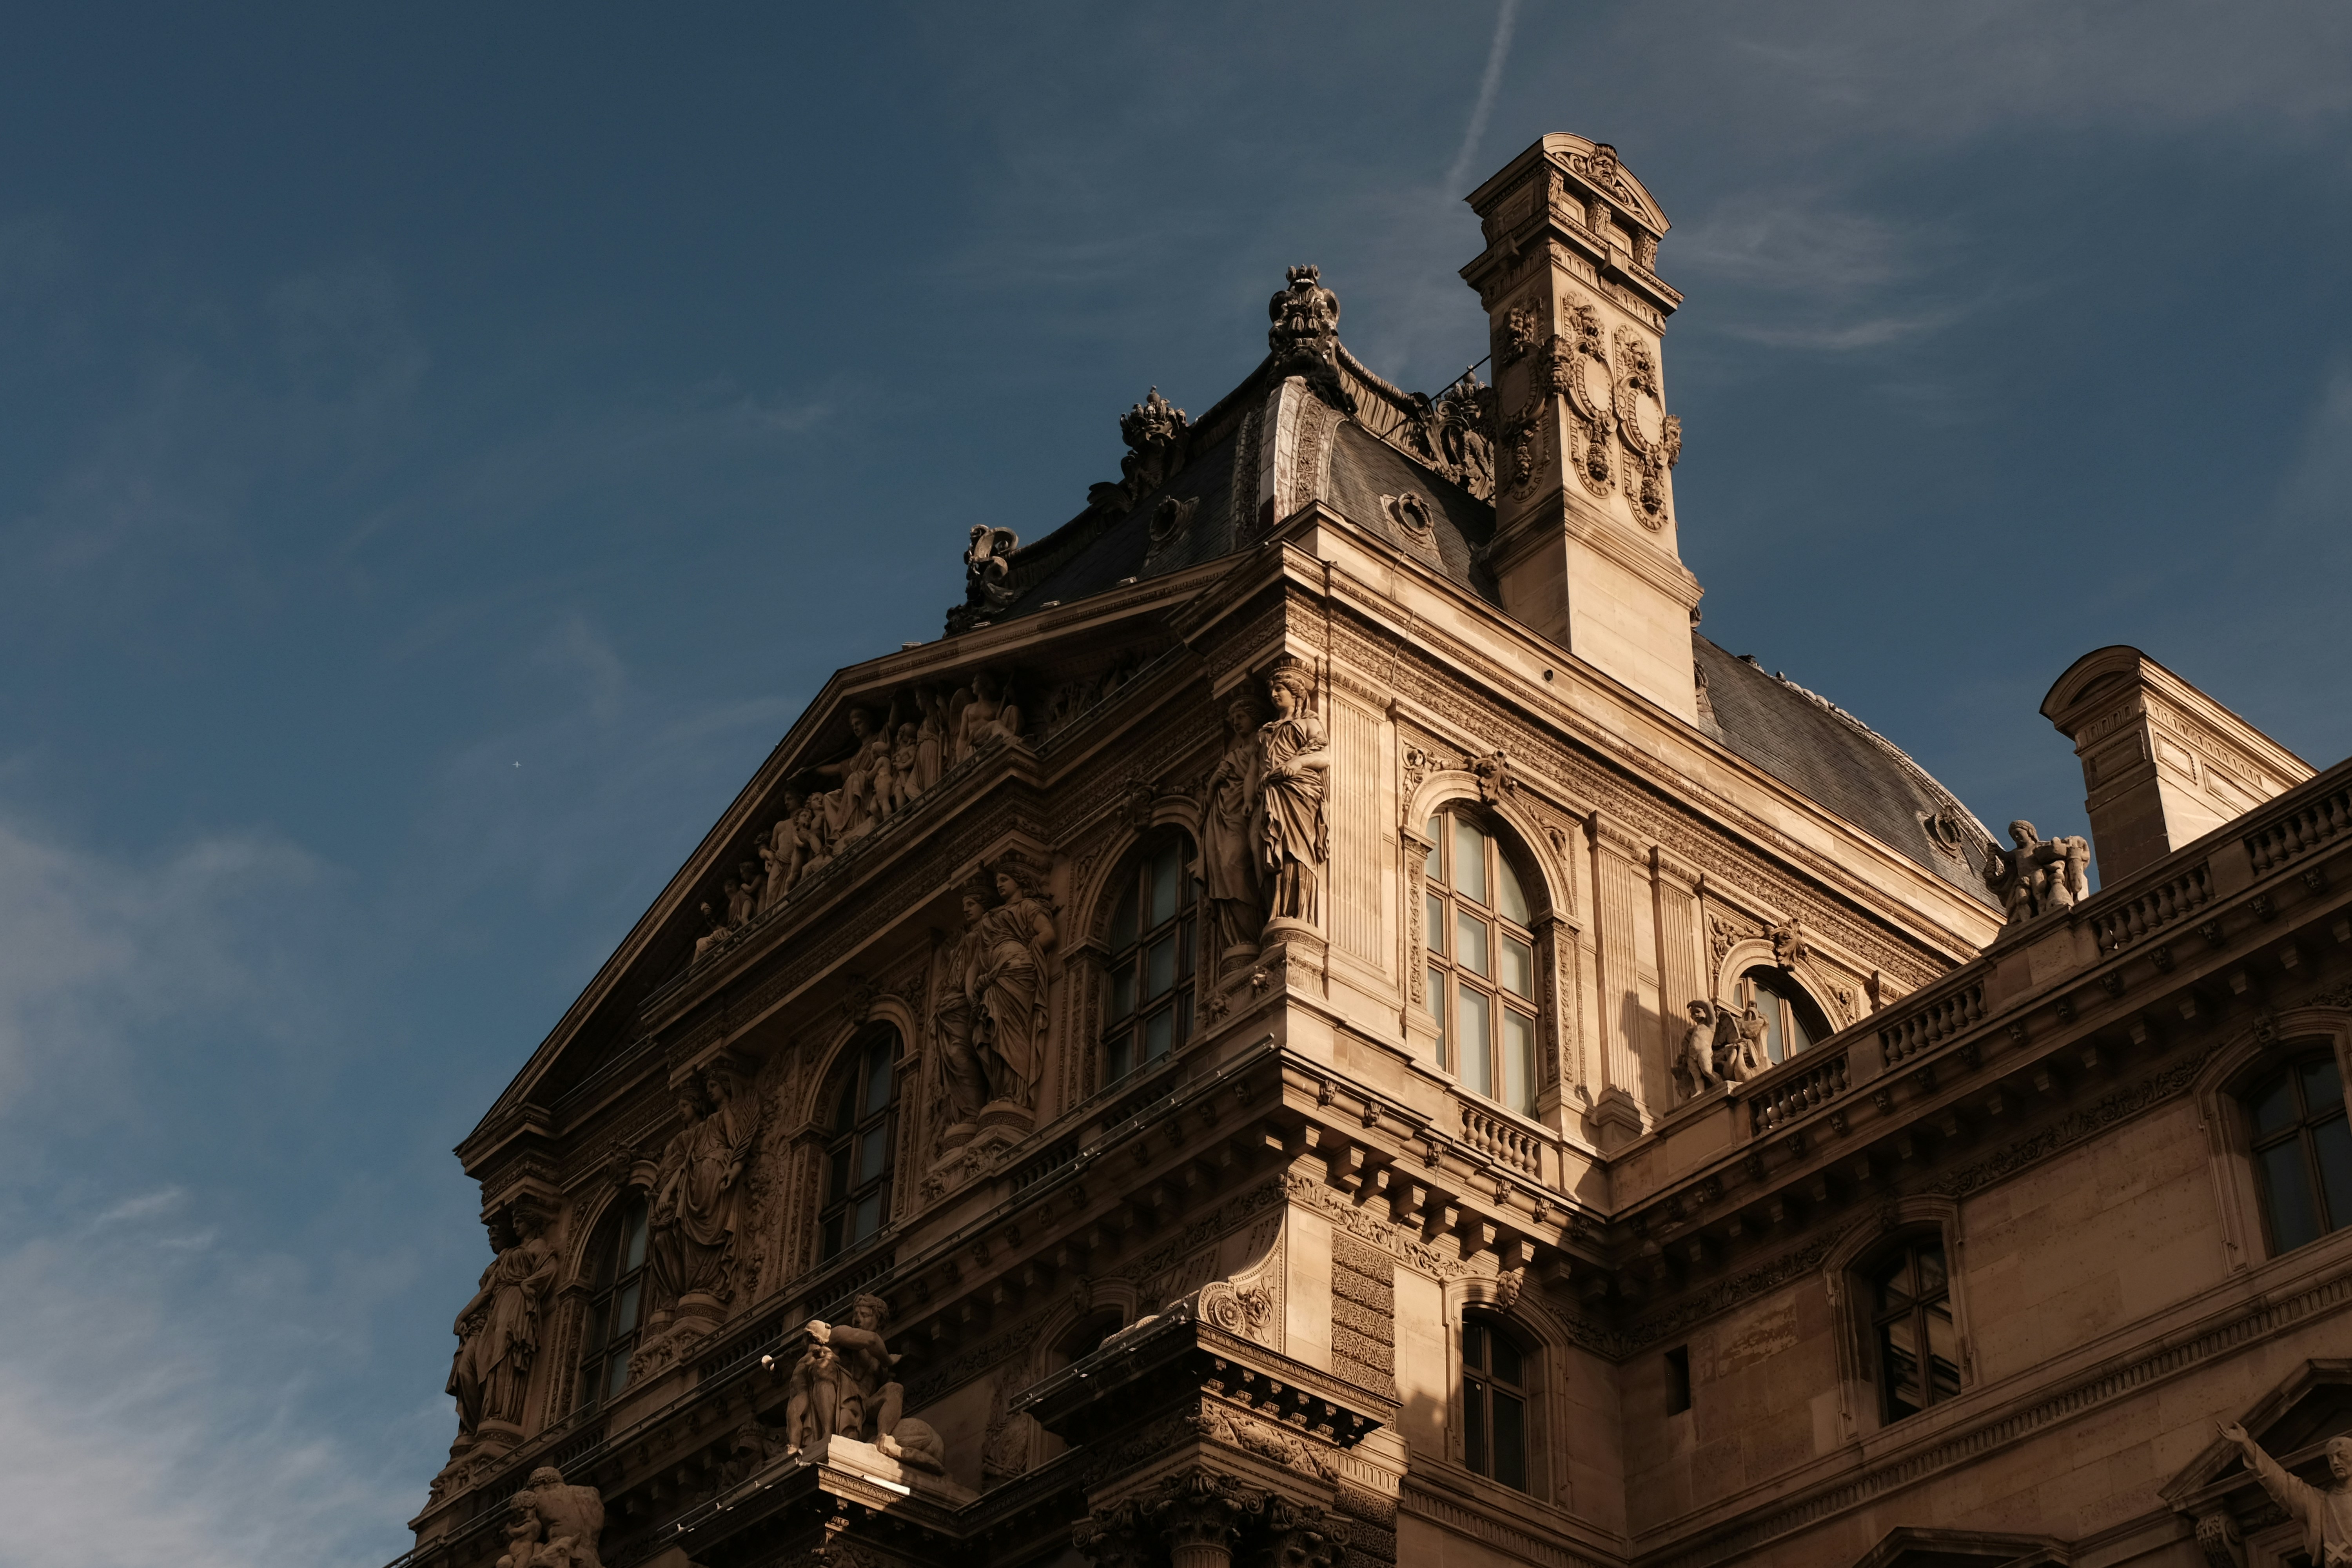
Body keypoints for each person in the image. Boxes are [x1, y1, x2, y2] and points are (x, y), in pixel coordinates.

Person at [1255, 664, 1329, 926]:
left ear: (1296, 694)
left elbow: (1324, 756)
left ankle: (1298, 913)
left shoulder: (1308, 722)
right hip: (1273, 793)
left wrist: (1297, 764)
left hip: (1299, 790)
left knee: (1297, 849)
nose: (1275, 695)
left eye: (1280, 689)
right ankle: (1277, 910)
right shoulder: (1265, 731)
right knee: (1273, 849)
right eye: (1272, 690)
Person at [2219, 1421, 2352, 1564]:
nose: (2336, 1463)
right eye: (2331, 1459)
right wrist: (2246, 1444)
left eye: (2342, 1456)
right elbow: (2282, 1483)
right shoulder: (2321, 1504)